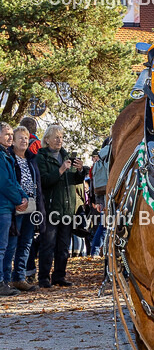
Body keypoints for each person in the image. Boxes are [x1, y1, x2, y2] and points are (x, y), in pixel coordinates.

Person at [36, 124, 85, 290]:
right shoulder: (41, 157)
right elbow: (44, 180)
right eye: (56, 137)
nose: (59, 140)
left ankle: (59, 276)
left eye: (61, 137)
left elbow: (75, 181)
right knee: (48, 245)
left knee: (64, 246)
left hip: (67, 209)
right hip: (51, 209)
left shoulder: (66, 156)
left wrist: (79, 171)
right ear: (47, 139)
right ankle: (43, 278)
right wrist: (61, 170)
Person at [4, 126, 43, 292]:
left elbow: (38, 185)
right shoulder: (9, 158)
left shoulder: (31, 159)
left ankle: (19, 277)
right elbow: (9, 183)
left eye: (26, 138)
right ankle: (6, 279)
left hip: (31, 204)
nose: (24, 141)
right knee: (11, 243)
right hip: (15, 205)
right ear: (13, 141)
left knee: (27, 242)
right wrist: (18, 199)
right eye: (20, 138)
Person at [0, 123, 28, 297]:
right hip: (2, 207)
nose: (10, 137)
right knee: (1, 248)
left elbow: (14, 182)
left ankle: (4, 280)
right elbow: (4, 183)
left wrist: (24, 197)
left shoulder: (6, 155)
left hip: (8, 206)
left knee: (7, 247)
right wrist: (19, 200)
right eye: (6, 134)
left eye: (11, 134)